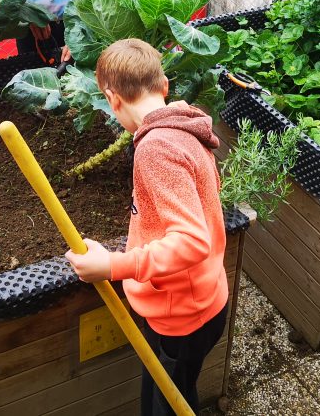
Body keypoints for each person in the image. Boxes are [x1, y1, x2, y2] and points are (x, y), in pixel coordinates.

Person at [65, 39, 228, 416]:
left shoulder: (156, 149)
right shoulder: (186, 129)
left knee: (165, 407)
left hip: (183, 317)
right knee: (171, 395)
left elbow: (190, 242)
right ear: (165, 85)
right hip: (203, 299)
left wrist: (113, 266)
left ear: (112, 98)